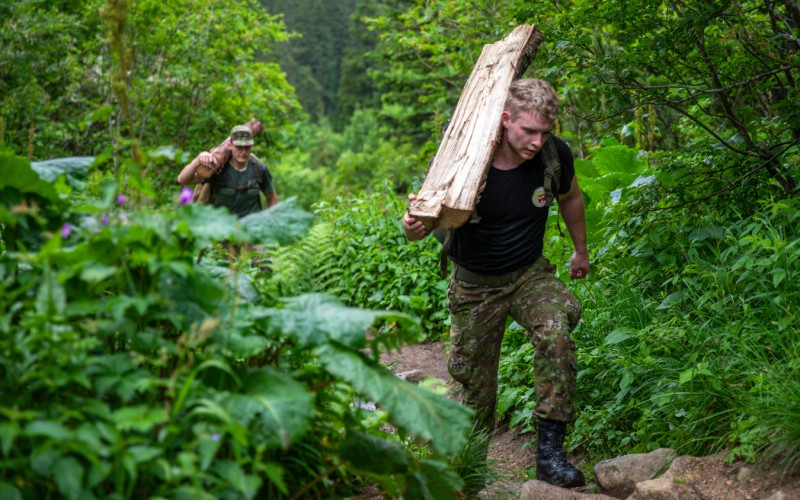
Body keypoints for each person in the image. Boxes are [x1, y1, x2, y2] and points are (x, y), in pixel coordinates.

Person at [401, 79, 589, 488]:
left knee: (556, 335)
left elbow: (571, 197)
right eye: (529, 131)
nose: (537, 141)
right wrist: (413, 226)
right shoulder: (466, 158)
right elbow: (421, 217)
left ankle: (550, 456)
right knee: (476, 387)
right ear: (505, 120)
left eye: (545, 132)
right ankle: (467, 473)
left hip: (528, 275)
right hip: (474, 286)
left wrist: (580, 251)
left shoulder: (554, 155)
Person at [178, 125, 278, 217]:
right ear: (230, 146)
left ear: (252, 146)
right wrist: (197, 160)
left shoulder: (259, 168)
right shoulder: (217, 169)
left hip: (251, 228)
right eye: (239, 147)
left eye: (247, 147)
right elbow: (183, 180)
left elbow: (272, 199)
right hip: (223, 228)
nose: (243, 152)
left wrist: (272, 221)